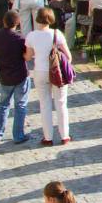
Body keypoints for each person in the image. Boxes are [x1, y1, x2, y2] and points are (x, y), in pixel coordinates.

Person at [25, 8, 73, 146]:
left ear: (37, 19)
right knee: (61, 103)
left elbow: (28, 56)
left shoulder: (31, 36)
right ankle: (65, 136)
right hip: (56, 71)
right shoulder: (57, 34)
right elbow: (68, 57)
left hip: (39, 71)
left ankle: (48, 137)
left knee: (44, 104)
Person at [0, 10, 30, 145]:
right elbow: (26, 56)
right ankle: (18, 135)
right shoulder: (20, 39)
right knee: (20, 105)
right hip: (20, 76)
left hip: (4, 76)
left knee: (3, 105)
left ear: (4, 21)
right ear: (17, 23)